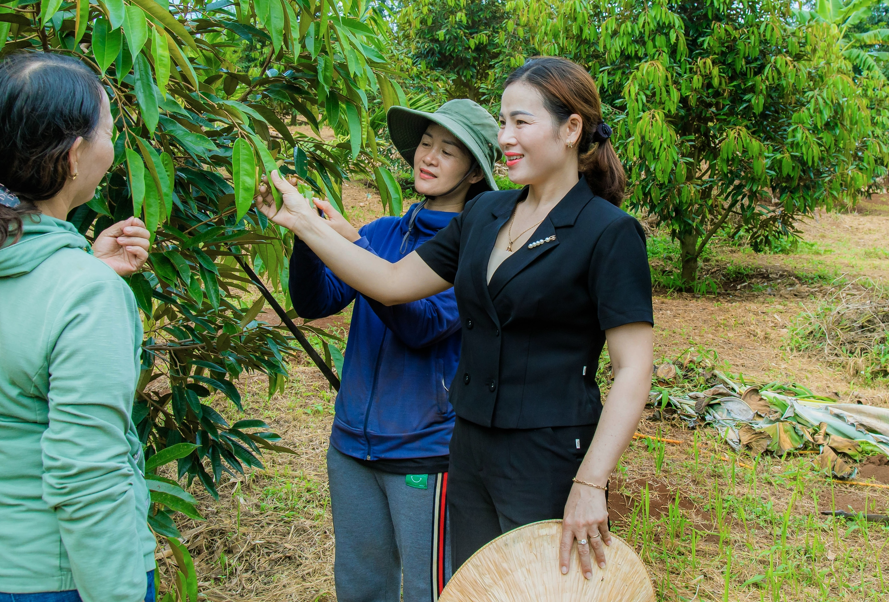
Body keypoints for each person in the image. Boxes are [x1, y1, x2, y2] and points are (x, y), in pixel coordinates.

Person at [257, 57, 654, 581]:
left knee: (536, 590)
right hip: (468, 450)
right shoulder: (486, 215)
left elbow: (633, 368)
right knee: (472, 588)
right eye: (503, 122)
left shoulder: (608, 232)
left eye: (521, 122)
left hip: (547, 455)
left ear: (571, 128)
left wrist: (590, 481)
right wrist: (305, 225)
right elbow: (391, 284)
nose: (506, 137)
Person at [0, 52, 157, 602]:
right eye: (108, 130)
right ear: (73, 157)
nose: (113, 148)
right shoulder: (86, 295)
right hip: (41, 578)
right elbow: (87, 475)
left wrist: (83, 265)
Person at [290, 98, 501, 602]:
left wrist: (349, 249)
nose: (429, 157)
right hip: (351, 449)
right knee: (361, 587)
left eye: (448, 151)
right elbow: (313, 302)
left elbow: (423, 325)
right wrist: (307, 236)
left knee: (431, 590)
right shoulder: (383, 233)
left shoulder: (477, 248)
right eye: (426, 144)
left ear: (474, 172)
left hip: (423, 454)